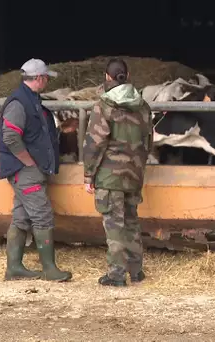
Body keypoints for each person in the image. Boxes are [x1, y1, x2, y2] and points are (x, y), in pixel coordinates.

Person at [0, 58, 71, 282]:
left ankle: (14, 268)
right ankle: (49, 269)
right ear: (38, 78)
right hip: (24, 171)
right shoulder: (19, 103)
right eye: (46, 77)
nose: (47, 80)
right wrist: (28, 161)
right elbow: (10, 136)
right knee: (42, 216)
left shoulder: (32, 101)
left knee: (21, 217)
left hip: (28, 170)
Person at [83, 58, 153, 287]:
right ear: (128, 74)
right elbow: (148, 141)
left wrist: (88, 175)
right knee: (131, 221)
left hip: (109, 176)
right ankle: (136, 270)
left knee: (114, 225)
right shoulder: (143, 106)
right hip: (134, 175)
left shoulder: (103, 106)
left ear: (107, 77)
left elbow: (95, 144)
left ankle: (116, 274)